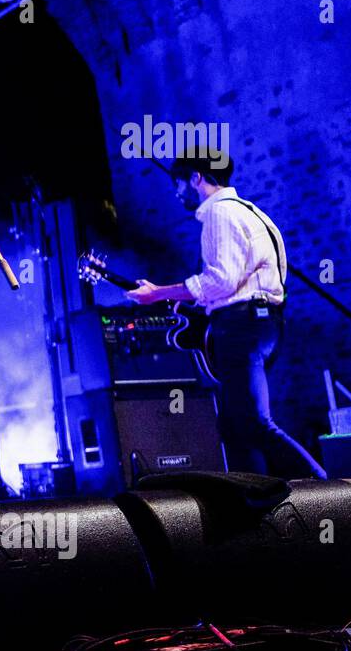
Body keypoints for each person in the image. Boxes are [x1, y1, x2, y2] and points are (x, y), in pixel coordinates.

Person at [126, 151, 326, 480]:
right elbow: (251, 280)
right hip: (264, 322)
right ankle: (258, 502)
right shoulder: (251, 211)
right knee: (235, 427)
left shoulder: (218, 214)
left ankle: (331, 490)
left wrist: (158, 292)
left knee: (253, 423)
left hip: (241, 328)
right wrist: (198, 304)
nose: (176, 193)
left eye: (177, 183)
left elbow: (220, 280)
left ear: (196, 178)